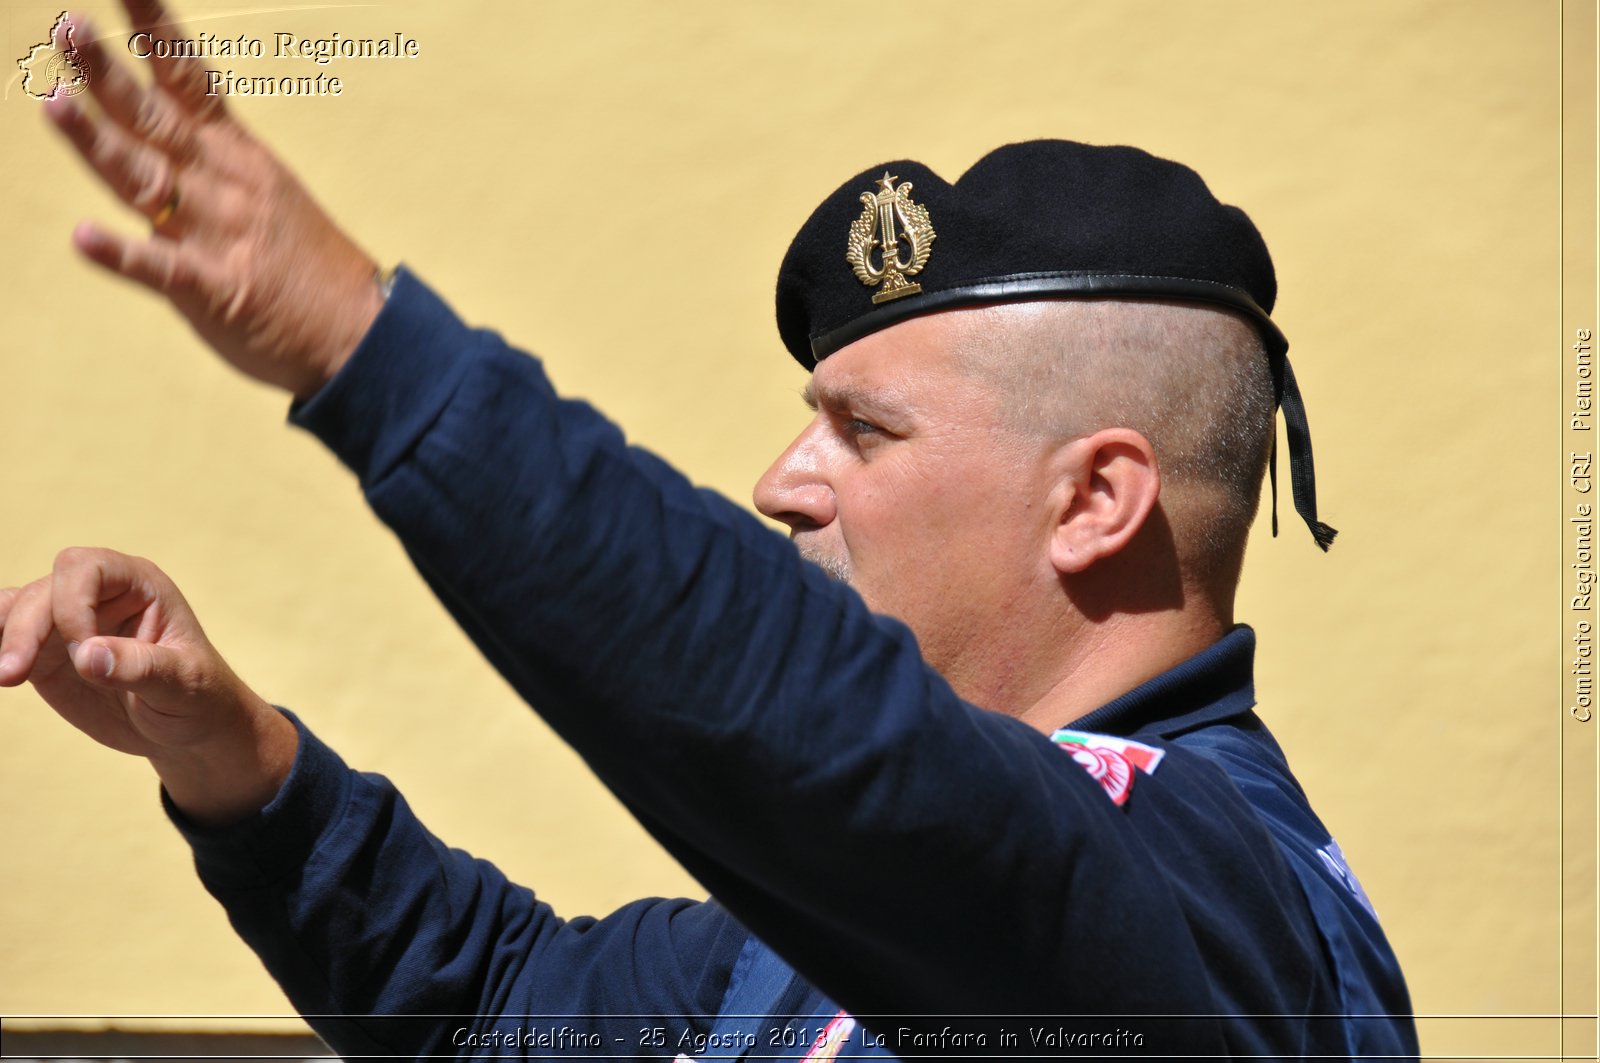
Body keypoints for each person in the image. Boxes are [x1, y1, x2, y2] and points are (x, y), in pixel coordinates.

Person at [1, 2, 1418, 1059]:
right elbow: (503, 1011)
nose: (783, 479)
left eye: (865, 432)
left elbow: (810, 723)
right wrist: (237, 766)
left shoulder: (1215, 907)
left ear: (1096, 503)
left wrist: (367, 353)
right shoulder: (851, 911)